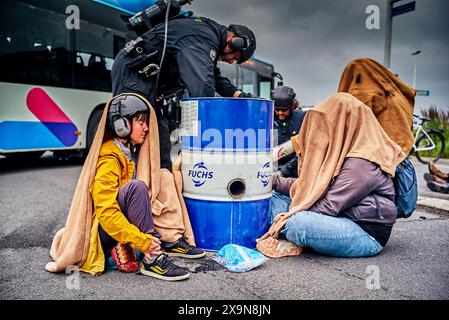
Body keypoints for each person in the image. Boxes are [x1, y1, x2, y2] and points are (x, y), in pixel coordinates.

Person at [257, 93, 405, 258]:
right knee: (274, 198)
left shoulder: (363, 161)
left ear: (343, 124)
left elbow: (327, 207)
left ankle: (293, 236)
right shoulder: (343, 149)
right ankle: (297, 237)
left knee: (297, 224)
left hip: (365, 232)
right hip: (336, 217)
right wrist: (276, 182)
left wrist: (288, 215)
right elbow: (310, 187)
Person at [112, 15, 256, 171]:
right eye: (234, 57)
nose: (230, 61)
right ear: (234, 41)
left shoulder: (207, 39)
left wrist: (238, 94)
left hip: (146, 80)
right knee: (133, 136)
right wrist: (215, 128)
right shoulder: (202, 36)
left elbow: (213, 77)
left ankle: (157, 189)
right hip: (134, 73)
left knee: (160, 144)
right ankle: (122, 187)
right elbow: (201, 86)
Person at [94, 94, 206, 281]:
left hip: (121, 227)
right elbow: (106, 213)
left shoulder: (129, 151)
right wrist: (144, 242)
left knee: (163, 175)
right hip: (105, 232)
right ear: (122, 126)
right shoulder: (110, 158)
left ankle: (169, 240)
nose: (146, 128)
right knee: (136, 187)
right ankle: (152, 257)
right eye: (141, 123)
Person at [272, 86, 306, 178]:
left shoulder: (301, 119)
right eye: (277, 110)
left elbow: (304, 147)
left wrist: (289, 167)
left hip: (295, 170)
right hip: (273, 169)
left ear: (291, 107)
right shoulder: (269, 119)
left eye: (283, 110)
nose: (280, 113)